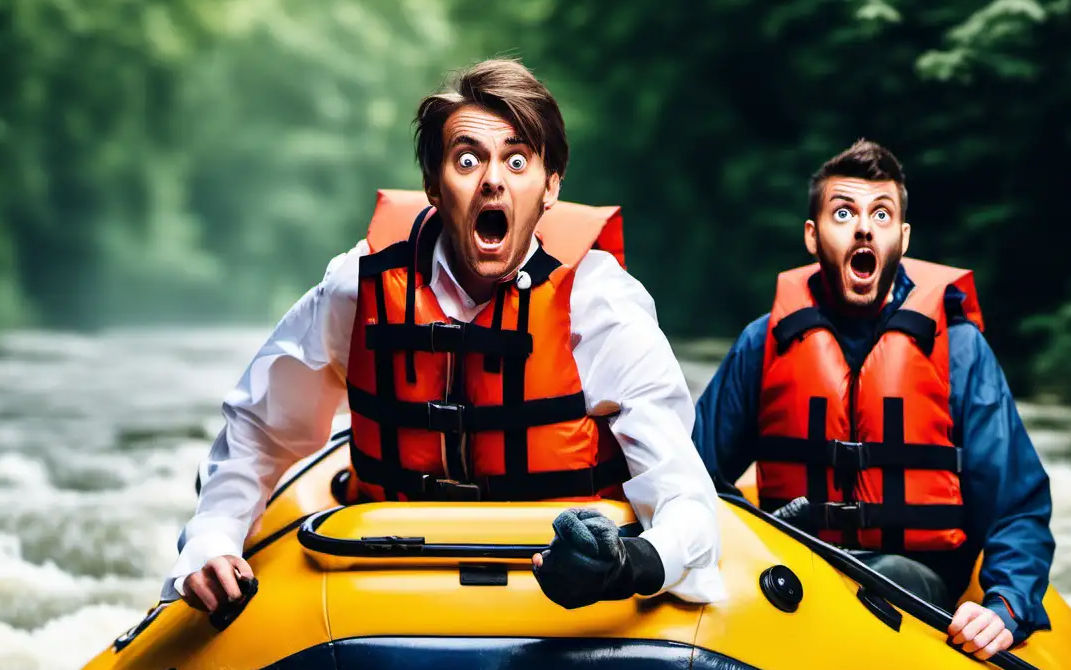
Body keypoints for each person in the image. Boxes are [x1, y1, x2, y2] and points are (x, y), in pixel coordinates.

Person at [164, 58, 724, 613]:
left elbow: (685, 501)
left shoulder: (600, 302)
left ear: (550, 186)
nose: (493, 181)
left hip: (557, 586)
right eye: (467, 160)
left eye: (518, 160)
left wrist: (630, 564)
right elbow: (260, 431)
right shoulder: (357, 287)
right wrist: (214, 533)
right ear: (433, 185)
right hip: (390, 575)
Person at [693, 140, 1053, 661]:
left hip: (911, 578)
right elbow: (695, 475)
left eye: (880, 215)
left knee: (877, 579)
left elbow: (1016, 507)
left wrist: (1005, 605)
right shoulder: (765, 341)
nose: (864, 227)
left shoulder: (959, 350)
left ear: (901, 239)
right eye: (844, 213)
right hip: (791, 572)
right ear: (813, 237)